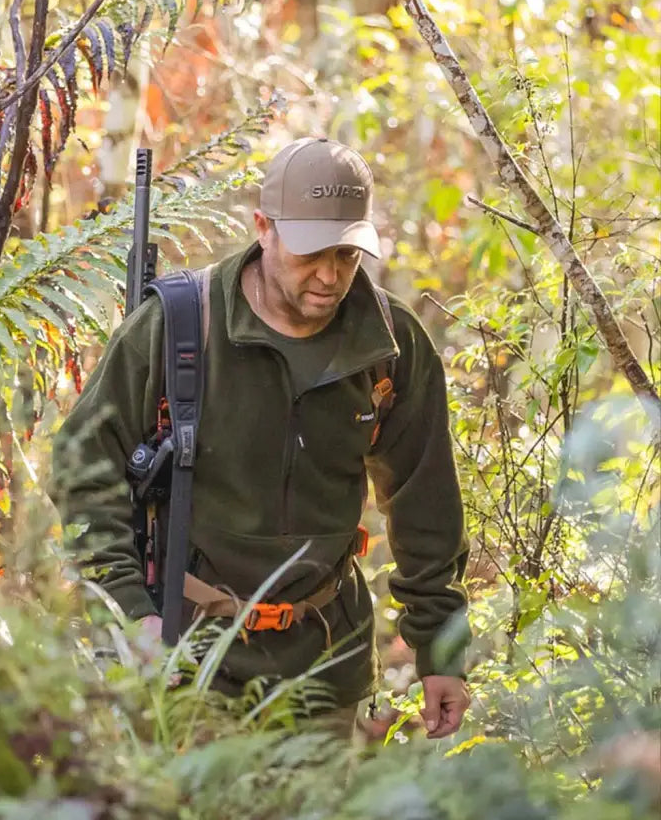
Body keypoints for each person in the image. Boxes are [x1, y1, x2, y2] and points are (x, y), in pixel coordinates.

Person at [53, 138, 471, 738]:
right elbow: (82, 468)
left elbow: (424, 500)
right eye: (310, 253)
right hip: (184, 661)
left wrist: (439, 650)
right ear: (263, 228)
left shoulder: (390, 344)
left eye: (347, 255)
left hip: (326, 670)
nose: (330, 276)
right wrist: (131, 613)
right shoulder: (177, 326)